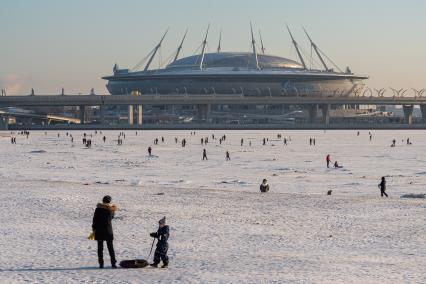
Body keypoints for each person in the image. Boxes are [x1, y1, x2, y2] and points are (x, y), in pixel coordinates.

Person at [92, 195, 117, 268]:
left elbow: (94, 220)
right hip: (108, 230)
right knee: (110, 248)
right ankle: (113, 263)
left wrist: (93, 229)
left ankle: (101, 264)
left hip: (99, 230)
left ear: (103, 201)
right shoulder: (111, 209)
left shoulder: (98, 209)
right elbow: (111, 218)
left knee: (100, 248)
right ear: (109, 201)